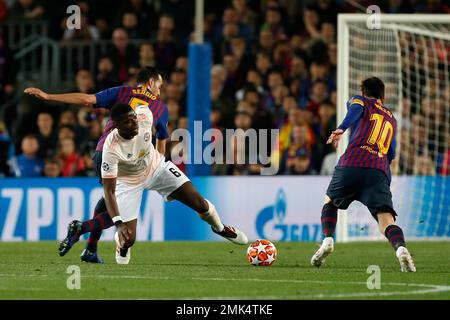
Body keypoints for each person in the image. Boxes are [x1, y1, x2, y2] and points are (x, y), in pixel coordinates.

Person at [58, 103, 248, 264]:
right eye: (127, 122)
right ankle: (121, 244)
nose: (134, 124)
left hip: (157, 168)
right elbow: (108, 191)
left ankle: (221, 228)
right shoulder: (111, 148)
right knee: (128, 239)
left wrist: (162, 142)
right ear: (115, 126)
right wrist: (119, 223)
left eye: (133, 118)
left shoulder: (144, 116)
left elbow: (159, 112)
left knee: (200, 203)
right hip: (129, 181)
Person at [24, 66, 168, 263]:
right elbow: (161, 146)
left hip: (103, 150)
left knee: (108, 197)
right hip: (129, 159)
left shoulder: (123, 91)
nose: (159, 91)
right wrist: (156, 172)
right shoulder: (159, 105)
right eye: (159, 86)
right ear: (151, 83)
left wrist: (49, 96)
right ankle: (81, 228)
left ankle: (91, 249)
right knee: (121, 210)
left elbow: (86, 99)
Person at [311, 77, 416, 272]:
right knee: (386, 221)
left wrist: (342, 128)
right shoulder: (391, 118)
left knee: (330, 202)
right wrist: (386, 179)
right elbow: (390, 153)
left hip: (353, 162)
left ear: (362, 91)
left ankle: (327, 240)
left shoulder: (359, 100)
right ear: (383, 97)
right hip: (378, 170)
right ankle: (401, 249)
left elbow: (355, 110)